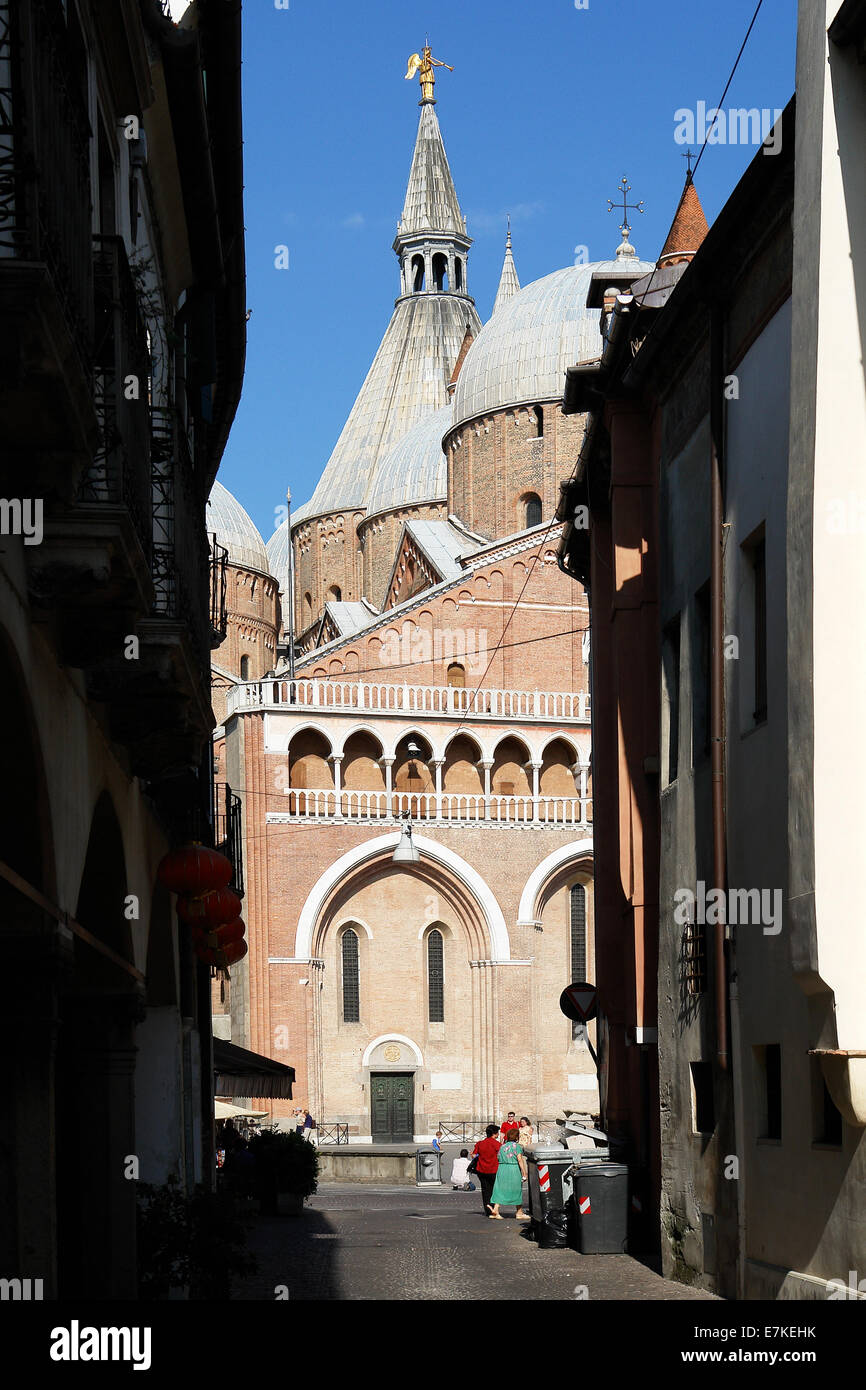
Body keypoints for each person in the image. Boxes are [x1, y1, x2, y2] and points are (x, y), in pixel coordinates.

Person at [487, 1127, 529, 1220]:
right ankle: (519, 1212)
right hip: (513, 1168)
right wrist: (524, 1173)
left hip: (502, 1168)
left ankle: (496, 1210)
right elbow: (520, 1160)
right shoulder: (517, 1146)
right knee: (516, 1189)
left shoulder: (502, 1146)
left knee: (499, 1189)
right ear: (516, 1137)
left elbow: (498, 1157)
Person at [471, 1124, 501, 1217]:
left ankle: (487, 1209)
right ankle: (493, 1208)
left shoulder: (480, 1143)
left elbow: (473, 1155)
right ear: (494, 1134)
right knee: (494, 1190)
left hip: (481, 1170)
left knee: (485, 1190)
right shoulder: (497, 1144)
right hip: (493, 1169)